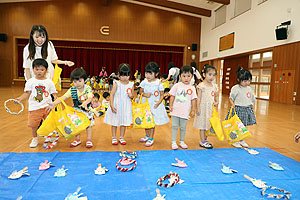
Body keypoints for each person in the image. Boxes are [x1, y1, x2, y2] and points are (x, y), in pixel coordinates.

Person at [47, 68, 95, 148]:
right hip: (76, 111)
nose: (77, 83)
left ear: (85, 80)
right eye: (75, 81)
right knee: (75, 124)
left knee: (88, 125)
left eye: (80, 81)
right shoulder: (72, 90)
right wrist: (54, 103)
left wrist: (85, 103)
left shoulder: (87, 89)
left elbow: (90, 98)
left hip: (87, 111)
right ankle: (77, 139)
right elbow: (63, 97)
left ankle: (89, 139)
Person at [16, 59, 57, 148]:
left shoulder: (49, 82)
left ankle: (49, 136)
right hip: (34, 108)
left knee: (49, 123)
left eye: (42, 70)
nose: (39, 72)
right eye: (37, 69)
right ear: (33, 69)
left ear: (46, 71)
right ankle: (35, 138)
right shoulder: (30, 81)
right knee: (34, 125)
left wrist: (55, 103)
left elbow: (54, 94)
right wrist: (20, 99)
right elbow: (27, 93)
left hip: (47, 107)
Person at [139, 62, 170, 146]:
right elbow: (140, 92)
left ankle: (151, 138)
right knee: (146, 120)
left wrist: (159, 102)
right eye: (146, 73)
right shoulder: (144, 82)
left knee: (152, 122)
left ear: (156, 74)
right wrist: (145, 94)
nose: (147, 75)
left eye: (150, 73)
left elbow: (162, 94)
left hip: (154, 105)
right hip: (145, 104)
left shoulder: (158, 83)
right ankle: (147, 135)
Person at [104, 64, 134, 145]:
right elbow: (112, 94)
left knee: (123, 123)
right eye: (123, 75)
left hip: (126, 107)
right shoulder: (116, 83)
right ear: (119, 75)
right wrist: (111, 105)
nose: (125, 77)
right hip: (117, 106)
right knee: (114, 122)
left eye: (127, 75)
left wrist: (131, 95)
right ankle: (114, 137)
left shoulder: (131, 84)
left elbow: (133, 96)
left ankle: (122, 137)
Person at [226, 66, 256, 148]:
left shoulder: (249, 89)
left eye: (248, 80)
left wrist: (252, 107)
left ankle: (241, 139)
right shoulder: (236, 88)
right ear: (239, 80)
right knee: (236, 126)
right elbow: (231, 98)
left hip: (247, 109)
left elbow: (252, 99)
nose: (247, 83)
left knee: (244, 126)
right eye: (245, 81)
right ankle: (234, 140)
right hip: (238, 109)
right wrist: (232, 104)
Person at [169, 66, 197, 150]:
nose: (186, 78)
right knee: (174, 126)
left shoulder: (192, 88)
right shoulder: (177, 85)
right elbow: (172, 96)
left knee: (183, 127)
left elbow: (193, 99)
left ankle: (181, 141)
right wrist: (170, 105)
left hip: (185, 111)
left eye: (188, 76)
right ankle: (173, 142)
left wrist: (193, 110)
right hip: (175, 110)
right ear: (180, 76)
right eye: (184, 76)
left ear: (192, 76)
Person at [194, 65, 219, 149]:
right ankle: (202, 141)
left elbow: (216, 96)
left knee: (207, 124)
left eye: (214, 75)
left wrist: (216, 102)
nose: (212, 77)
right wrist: (197, 108)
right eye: (210, 74)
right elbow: (199, 98)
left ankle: (205, 139)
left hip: (210, 109)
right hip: (203, 108)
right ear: (204, 75)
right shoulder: (201, 86)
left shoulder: (215, 86)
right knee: (202, 125)